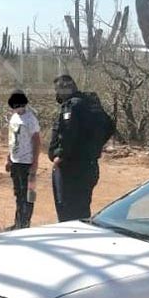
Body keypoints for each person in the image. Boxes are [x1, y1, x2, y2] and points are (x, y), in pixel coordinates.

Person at [48, 75, 114, 222]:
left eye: (57, 90)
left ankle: (69, 240)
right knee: (82, 209)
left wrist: (60, 155)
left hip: (70, 168)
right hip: (89, 166)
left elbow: (68, 133)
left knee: (67, 211)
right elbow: (110, 126)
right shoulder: (91, 104)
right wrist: (93, 147)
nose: (56, 94)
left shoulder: (72, 106)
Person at [5, 89, 41, 230]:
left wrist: (35, 163)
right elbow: (11, 139)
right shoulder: (14, 118)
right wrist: (8, 158)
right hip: (15, 162)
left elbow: (37, 141)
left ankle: (25, 224)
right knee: (18, 194)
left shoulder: (30, 119)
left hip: (27, 163)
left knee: (28, 194)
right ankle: (18, 222)